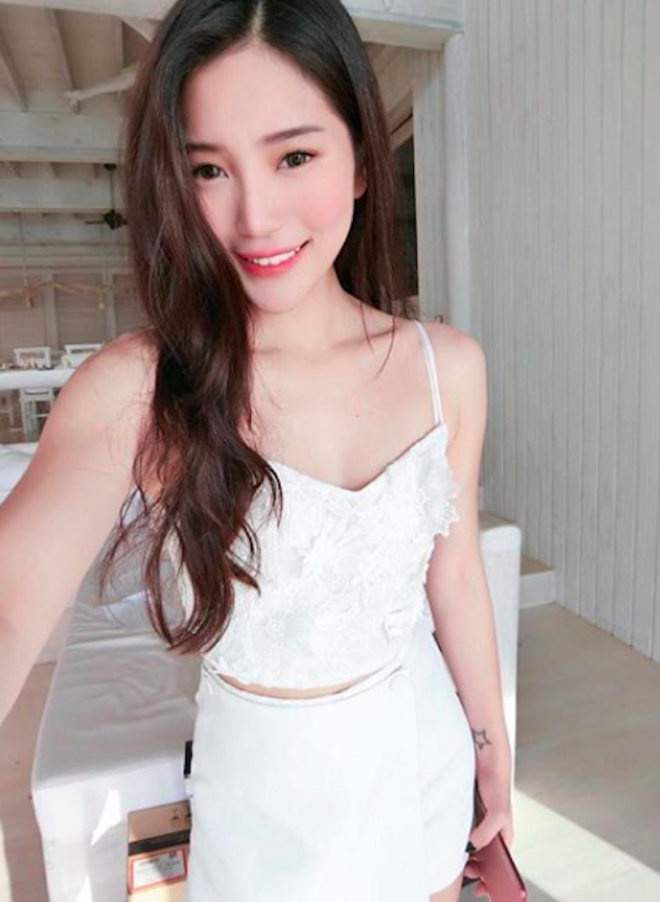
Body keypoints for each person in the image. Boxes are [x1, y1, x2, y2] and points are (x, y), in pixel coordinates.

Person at [0, 0, 514, 899]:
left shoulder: (449, 369)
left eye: (294, 156)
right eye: (209, 168)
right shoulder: (140, 389)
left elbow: (457, 575)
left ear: (361, 158)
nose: (255, 217)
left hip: (418, 756)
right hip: (264, 801)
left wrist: (490, 744)